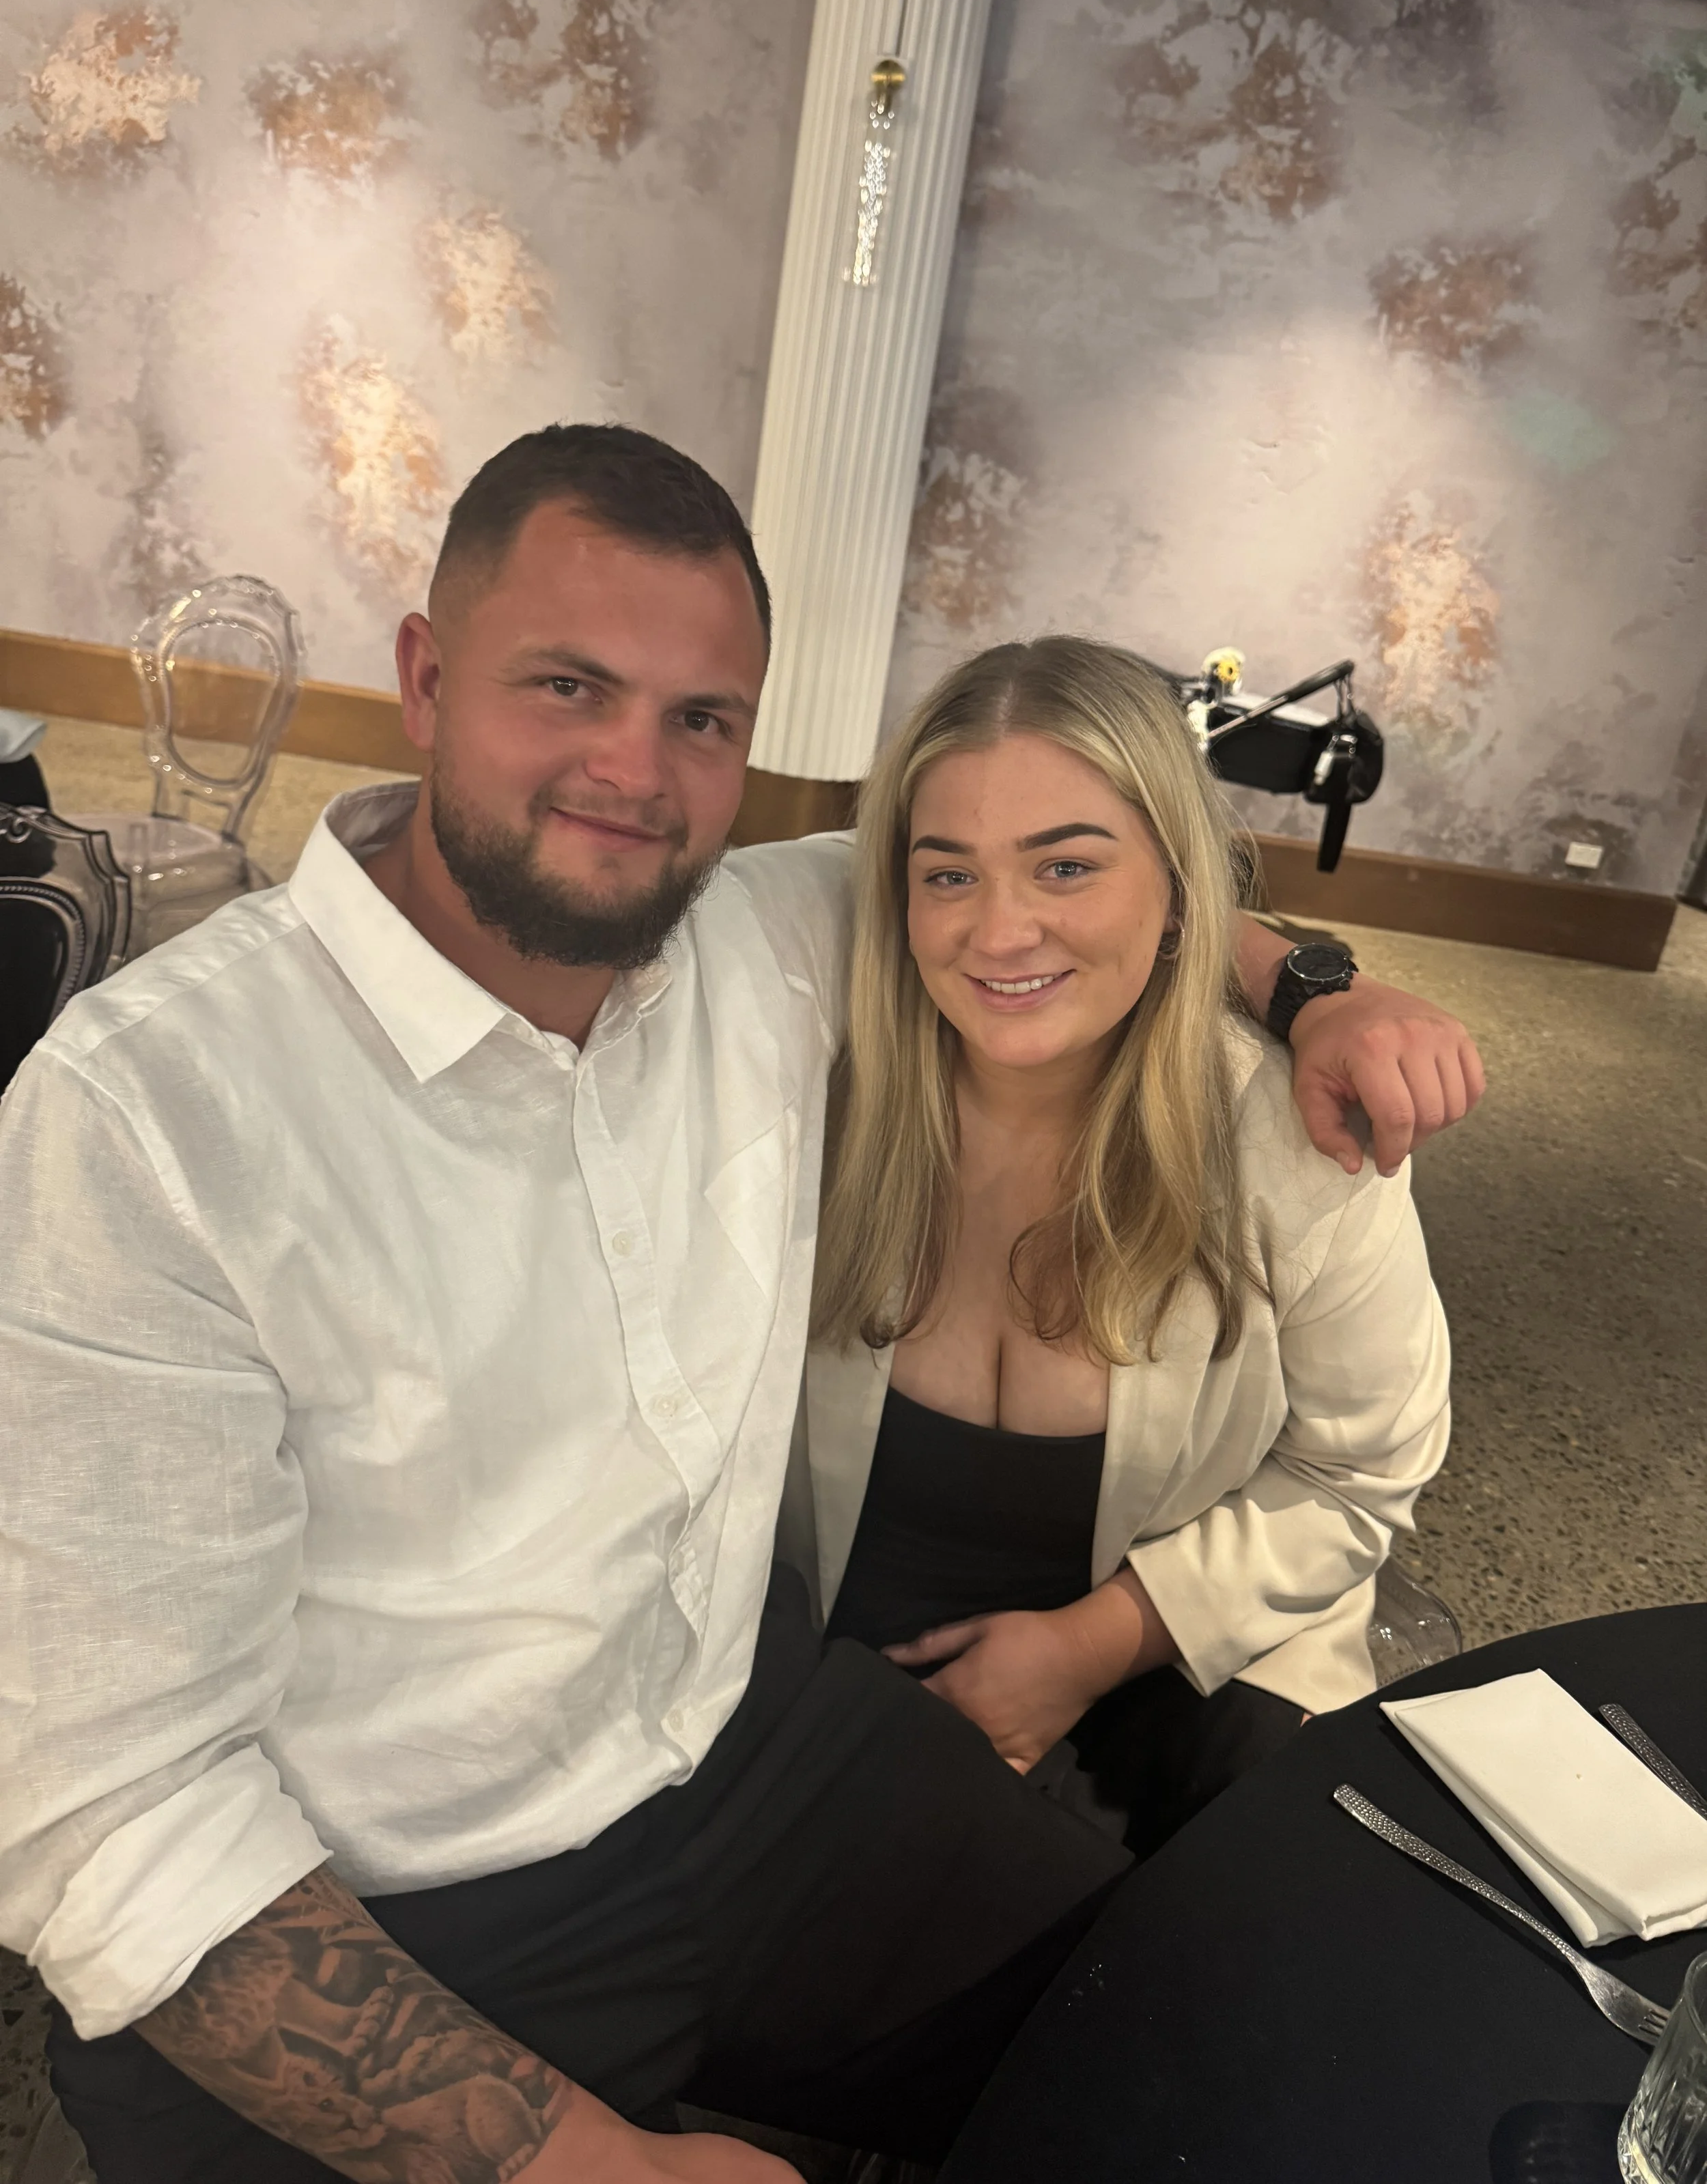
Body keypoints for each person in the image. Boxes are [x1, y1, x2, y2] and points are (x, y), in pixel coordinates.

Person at [0, 427, 1481, 2184]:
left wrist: (1313, 987)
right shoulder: (148, 1116)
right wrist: (580, 2165)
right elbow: (107, 1807)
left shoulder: (745, 935)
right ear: (424, 678)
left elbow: (1067, 885)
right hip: (387, 1901)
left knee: (1219, 2079)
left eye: (701, 718)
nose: (633, 773)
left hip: (750, 1756)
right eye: (567, 685)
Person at [797, 638, 1452, 1860]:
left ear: (1182, 889)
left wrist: (1088, 1648)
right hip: (828, 1669)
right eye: (950, 875)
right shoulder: (809, 1096)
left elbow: (1361, 1476)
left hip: (1178, 1677)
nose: (1001, 932)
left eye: (1067, 866)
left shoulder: (1298, 1140)